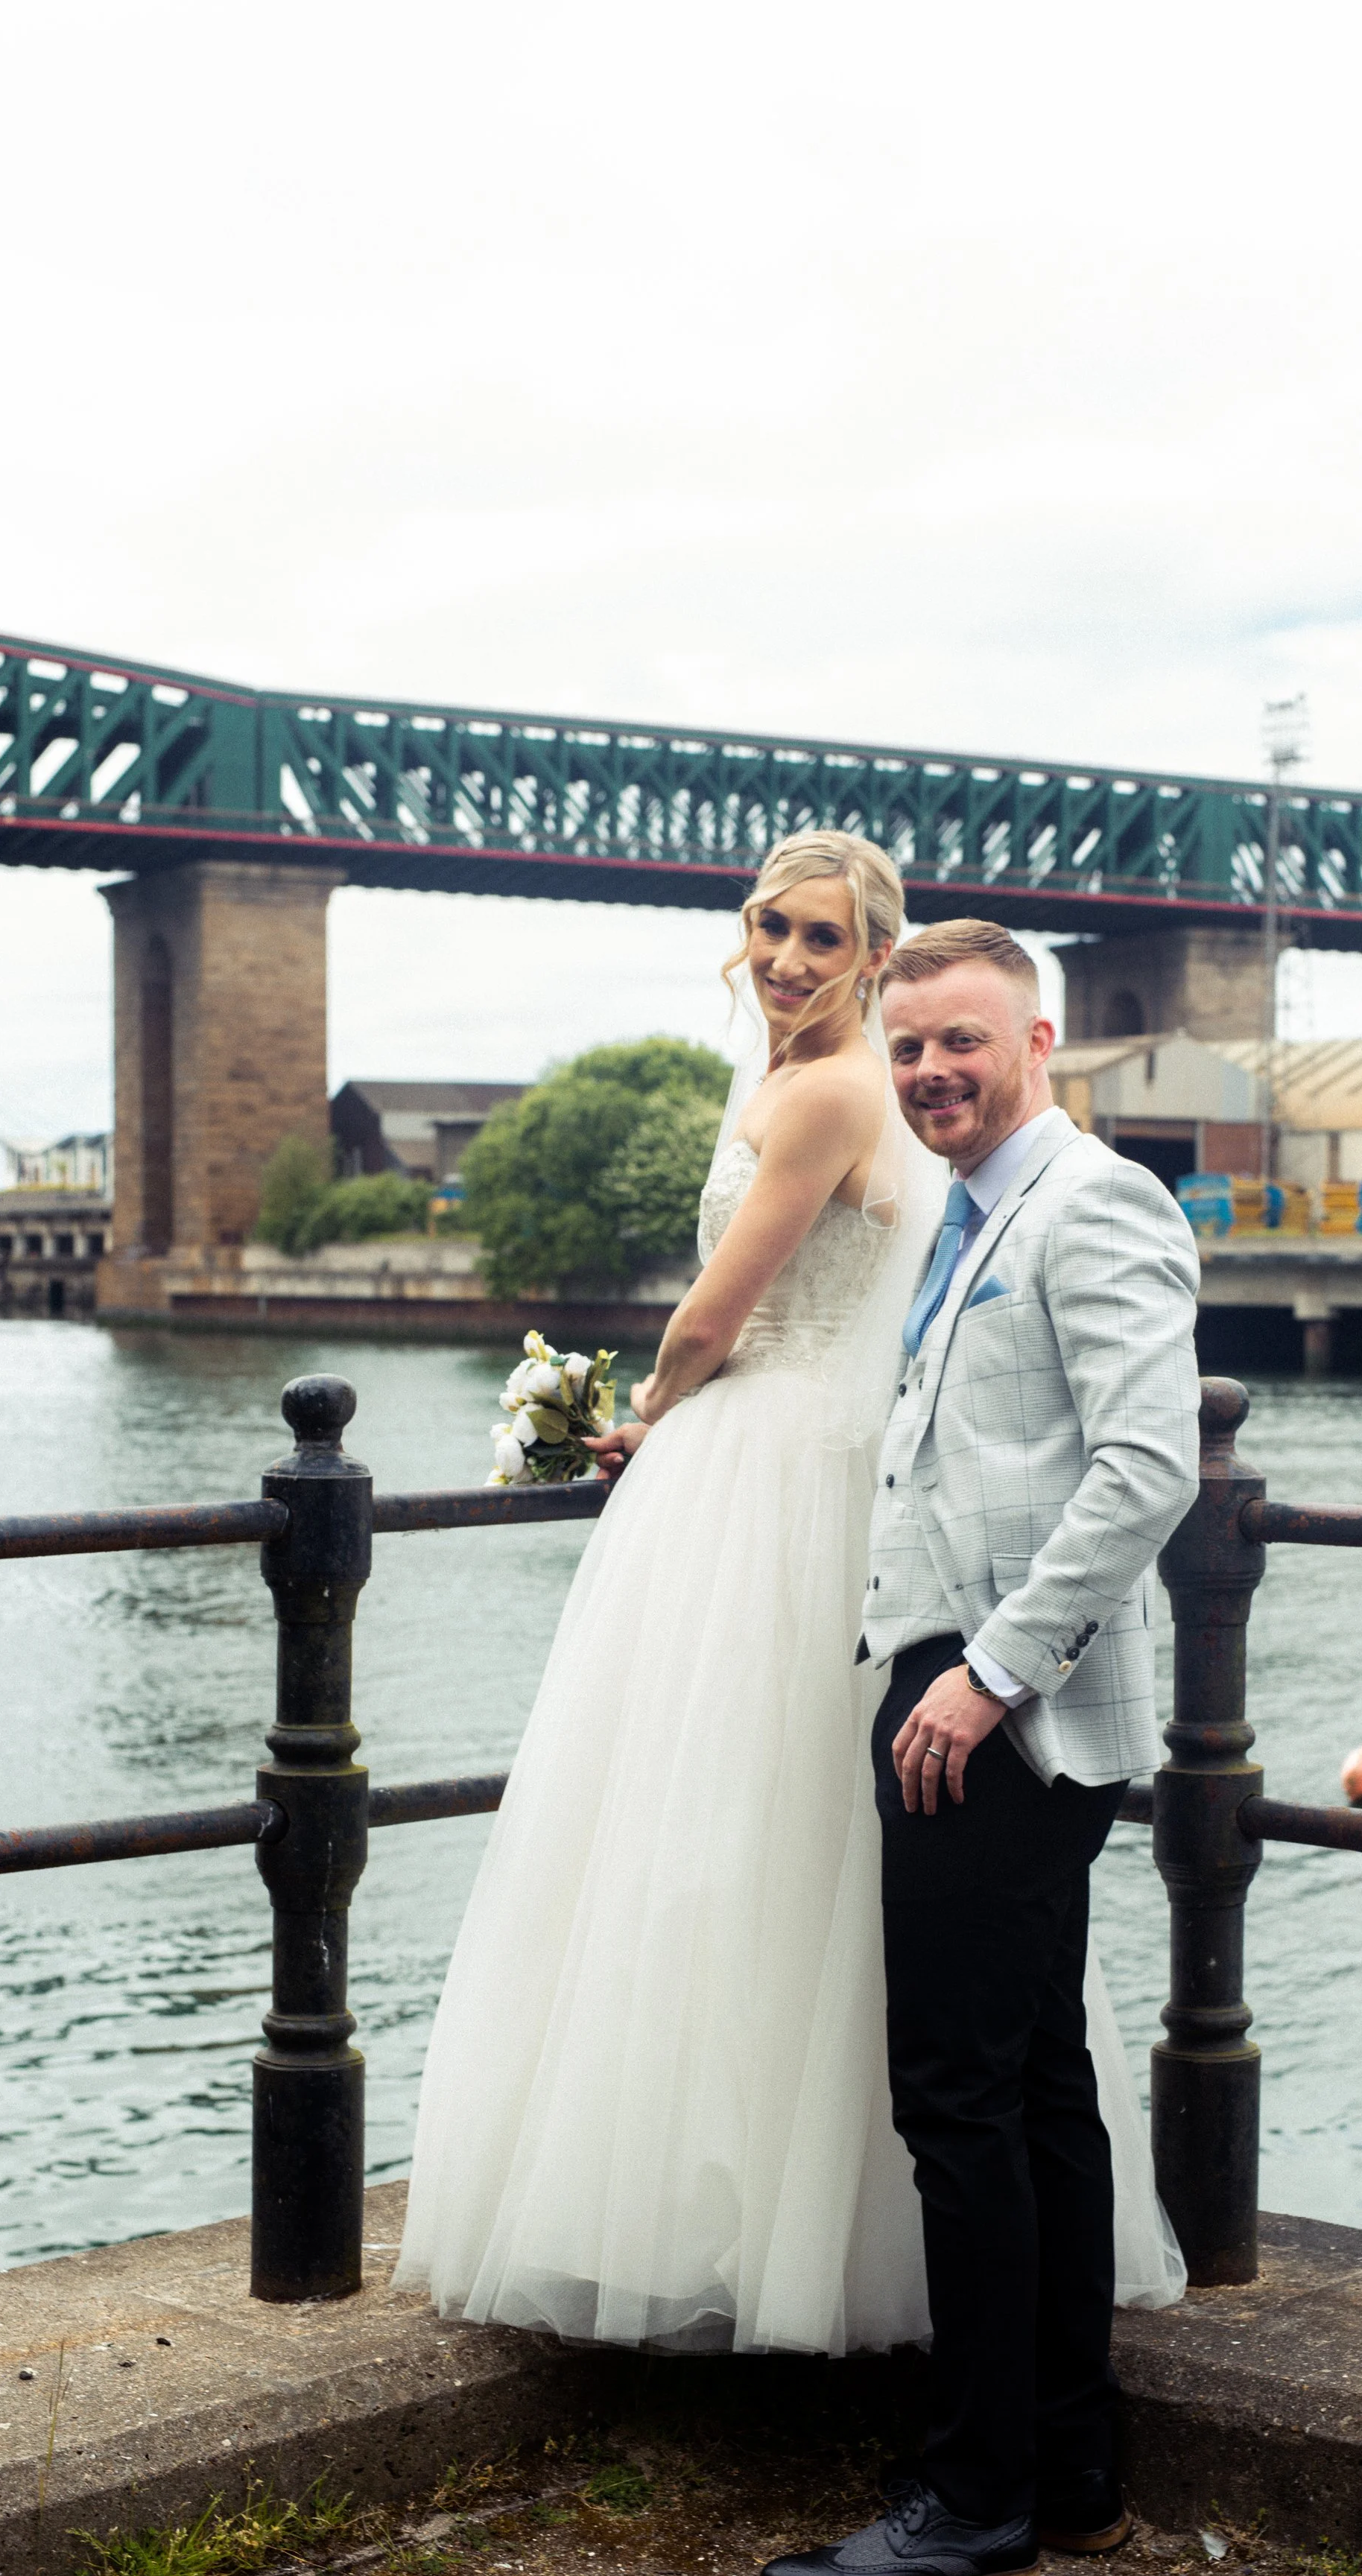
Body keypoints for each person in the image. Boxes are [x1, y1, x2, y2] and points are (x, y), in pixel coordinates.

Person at [395, 838, 1184, 2361]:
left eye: (824, 938)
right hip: (871, 1519)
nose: (787, 958)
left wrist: (646, 1421)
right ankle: (1037, 2454)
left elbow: (1135, 1470)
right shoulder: (951, 1178)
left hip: (878, 1562)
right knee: (919, 2002)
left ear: (1024, 1038)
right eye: (770, 926)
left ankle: (983, 2466)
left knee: (943, 2036)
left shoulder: (1003, 1167)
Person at [758, 919, 1202, 2576]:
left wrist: (985, 1677)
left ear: (1038, 1036)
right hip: (957, 1683)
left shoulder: (1093, 1202)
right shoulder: (966, 1212)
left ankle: (972, 2506)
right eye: (910, 1048)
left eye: (962, 1042)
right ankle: (1065, 2469)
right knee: (1029, 2097)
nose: (932, 1071)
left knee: (958, 2099)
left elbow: (1147, 1467)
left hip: (999, 1709)